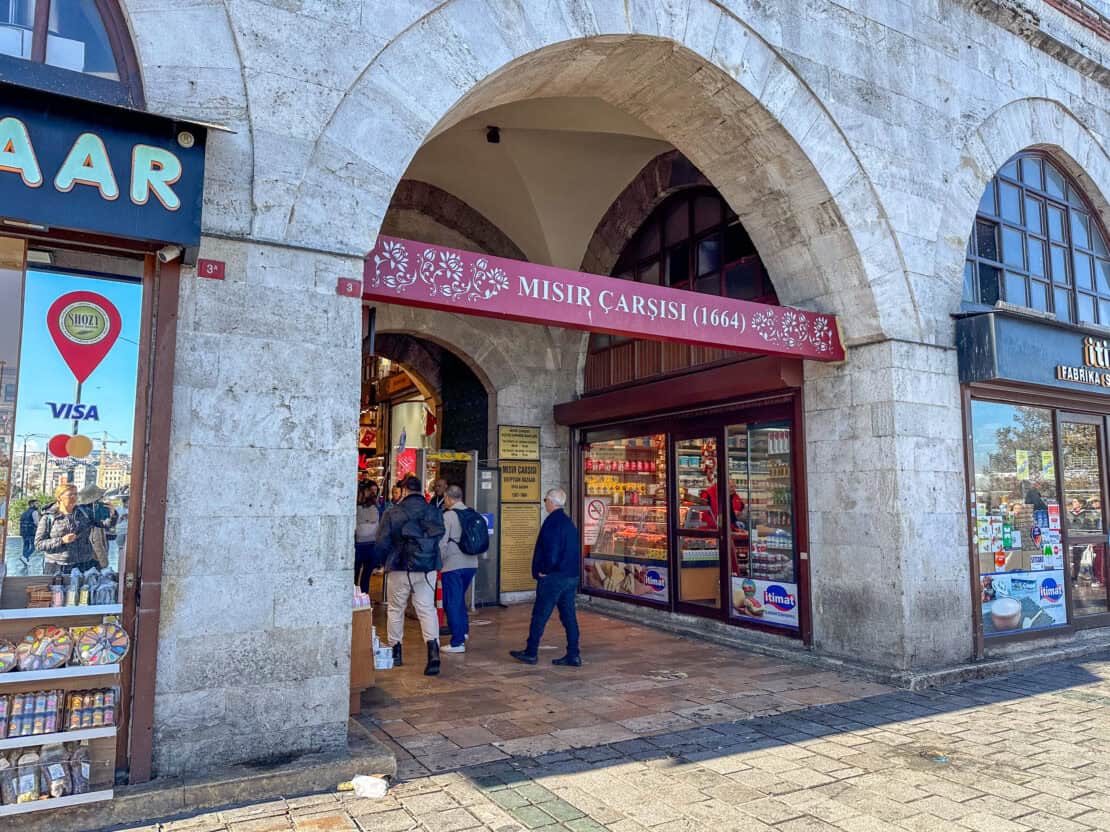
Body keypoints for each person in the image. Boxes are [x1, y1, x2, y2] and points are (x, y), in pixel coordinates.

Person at [377, 475, 446, 676]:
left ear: (405, 490)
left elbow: (382, 542)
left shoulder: (393, 512)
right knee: (426, 609)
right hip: (427, 567)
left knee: (396, 608)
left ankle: (396, 651)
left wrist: (383, 562)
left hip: (399, 566)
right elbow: (439, 537)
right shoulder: (433, 511)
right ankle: (433, 652)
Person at [510, 488, 582, 667]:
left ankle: (531, 651)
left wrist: (544, 570)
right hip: (570, 576)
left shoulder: (552, 523)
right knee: (569, 615)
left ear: (551, 502)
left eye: (545, 500)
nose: (544, 504)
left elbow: (551, 552)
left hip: (554, 577)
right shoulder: (568, 522)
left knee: (540, 614)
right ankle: (573, 654)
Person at [439, 485, 478, 654]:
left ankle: (457, 642)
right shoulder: (472, 513)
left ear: (448, 498)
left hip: (453, 565)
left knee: (452, 602)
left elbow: (442, 542)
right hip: (471, 564)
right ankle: (463, 631)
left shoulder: (448, 516)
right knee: (459, 599)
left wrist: (438, 560)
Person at [36, 482, 98, 575]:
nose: (74, 497)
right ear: (59, 497)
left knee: (84, 589)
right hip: (58, 566)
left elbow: (104, 524)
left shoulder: (84, 513)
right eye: (70, 494)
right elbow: (39, 544)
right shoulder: (48, 517)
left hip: (85, 564)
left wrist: (112, 515)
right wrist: (62, 540)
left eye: (76, 494)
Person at [79, 484, 117, 569]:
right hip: (93, 561)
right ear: (94, 501)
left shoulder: (85, 512)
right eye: (101, 498)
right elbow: (96, 542)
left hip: (86, 559)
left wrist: (113, 514)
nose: (103, 500)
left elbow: (110, 529)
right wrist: (104, 564)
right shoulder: (90, 515)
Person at [354, 485, 380, 594]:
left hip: (359, 546)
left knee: (354, 576)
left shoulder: (357, 509)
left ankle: (354, 598)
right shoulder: (376, 508)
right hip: (372, 545)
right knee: (366, 577)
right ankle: (364, 598)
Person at [18, 498, 40, 570]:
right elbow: (37, 523)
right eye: (36, 503)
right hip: (31, 532)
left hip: (24, 532)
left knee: (26, 545)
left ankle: (25, 560)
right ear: (31, 504)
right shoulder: (34, 512)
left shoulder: (24, 512)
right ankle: (25, 557)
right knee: (34, 546)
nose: (38, 505)